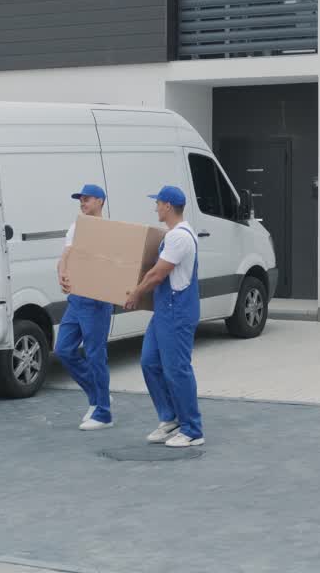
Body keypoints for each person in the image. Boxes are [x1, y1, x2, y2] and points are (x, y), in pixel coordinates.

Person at [125, 185, 204, 448]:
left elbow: (158, 274)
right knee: (149, 362)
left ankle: (192, 429)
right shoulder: (172, 235)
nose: (155, 207)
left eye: (157, 203)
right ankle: (170, 418)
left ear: (168, 206)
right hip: (164, 311)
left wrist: (135, 293)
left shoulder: (178, 237)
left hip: (177, 311)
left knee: (177, 369)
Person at [56, 184, 114, 431]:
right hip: (77, 298)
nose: (82, 202)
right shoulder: (76, 227)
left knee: (95, 355)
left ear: (100, 201)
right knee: (63, 350)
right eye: (80, 199)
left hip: (98, 300)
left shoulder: (110, 231)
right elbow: (66, 255)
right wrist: (61, 273)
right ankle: (98, 395)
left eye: (87, 199)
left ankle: (103, 413)